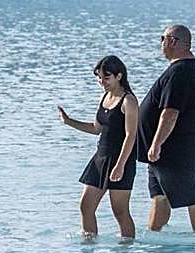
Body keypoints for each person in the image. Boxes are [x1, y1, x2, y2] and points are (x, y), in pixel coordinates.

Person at [59, 55, 139, 239]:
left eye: (106, 77)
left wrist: (120, 165)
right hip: (100, 158)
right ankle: (89, 248)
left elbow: (131, 135)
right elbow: (96, 129)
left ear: (119, 76)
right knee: (86, 206)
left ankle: (126, 250)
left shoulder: (129, 101)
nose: (102, 82)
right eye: (99, 78)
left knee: (120, 211)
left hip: (121, 160)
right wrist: (69, 122)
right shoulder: (104, 97)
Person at [138, 25, 195, 232]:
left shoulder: (180, 72)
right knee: (159, 196)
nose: (161, 43)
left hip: (174, 148)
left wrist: (157, 143)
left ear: (172, 41)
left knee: (191, 196)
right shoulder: (180, 68)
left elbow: (170, 112)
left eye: (163, 39)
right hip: (162, 151)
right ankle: (154, 236)